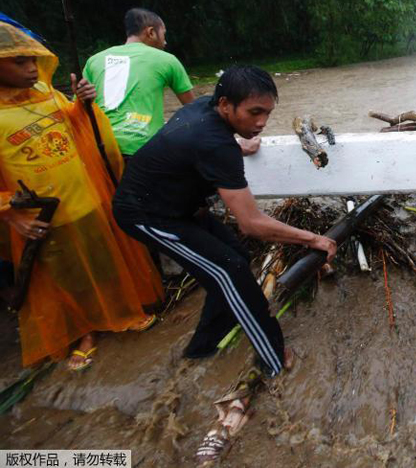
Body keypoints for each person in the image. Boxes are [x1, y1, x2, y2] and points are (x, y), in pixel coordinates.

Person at [113, 65, 337, 377]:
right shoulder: (214, 144)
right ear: (225, 105)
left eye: (268, 114)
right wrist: (314, 239)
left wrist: (238, 142)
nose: (261, 122)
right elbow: (251, 224)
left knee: (238, 257)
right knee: (230, 270)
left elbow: (203, 144)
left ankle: (203, 347)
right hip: (146, 214)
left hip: (181, 206)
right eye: (254, 112)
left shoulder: (205, 108)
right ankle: (273, 359)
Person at [0, 18, 162, 371]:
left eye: (33, 60)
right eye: (19, 62)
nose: (31, 69)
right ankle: (86, 331)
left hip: (83, 197)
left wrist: (83, 104)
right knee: (69, 276)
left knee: (104, 259)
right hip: (43, 215)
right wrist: (11, 214)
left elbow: (76, 125)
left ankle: (123, 311)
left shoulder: (46, 94)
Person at [83, 8, 195, 159]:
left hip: (100, 148)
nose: (165, 41)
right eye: (164, 34)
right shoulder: (167, 60)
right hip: (141, 148)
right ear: (151, 32)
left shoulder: (94, 60)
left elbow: (80, 107)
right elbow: (194, 108)